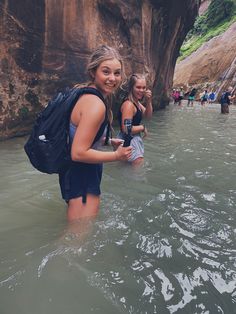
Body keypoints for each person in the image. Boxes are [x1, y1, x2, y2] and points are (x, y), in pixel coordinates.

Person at [59, 45, 132, 222]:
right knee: (78, 241)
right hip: (83, 177)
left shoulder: (82, 93)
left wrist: (106, 140)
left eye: (117, 73)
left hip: (73, 174)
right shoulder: (95, 104)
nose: (112, 78)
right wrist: (116, 155)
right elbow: (78, 153)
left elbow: (78, 134)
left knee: (77, 235)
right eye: (106, 72)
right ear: (93, 72)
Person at [117, 73, 153, 167]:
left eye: (144, 87)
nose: (141, 90)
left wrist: (148, 101)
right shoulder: (129, 105)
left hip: (131, 140)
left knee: (126, 171)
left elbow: (148, 116)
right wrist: (142, 127)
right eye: (138, 87)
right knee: (137, 176)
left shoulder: (136, 102)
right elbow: (126, 129)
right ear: (131, 87)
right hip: (129, 141)